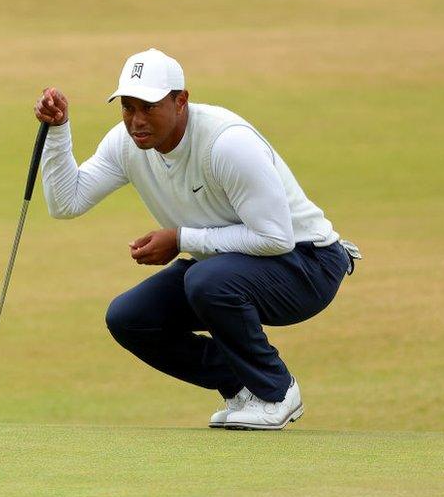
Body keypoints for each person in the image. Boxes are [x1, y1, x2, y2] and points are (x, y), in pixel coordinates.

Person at [33, 48, 360, 430]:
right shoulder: (126, 144)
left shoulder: (226, 142)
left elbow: (275, 238)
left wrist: (180, 238)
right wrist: (58, 132)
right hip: (229, 263)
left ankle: (276, 392)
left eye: (148, 107)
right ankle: (241, 387)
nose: (136, 121)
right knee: (129, 318)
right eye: (127, 108)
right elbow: (66, 202)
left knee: (206, 280)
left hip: (308, 266)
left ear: (181, 100)